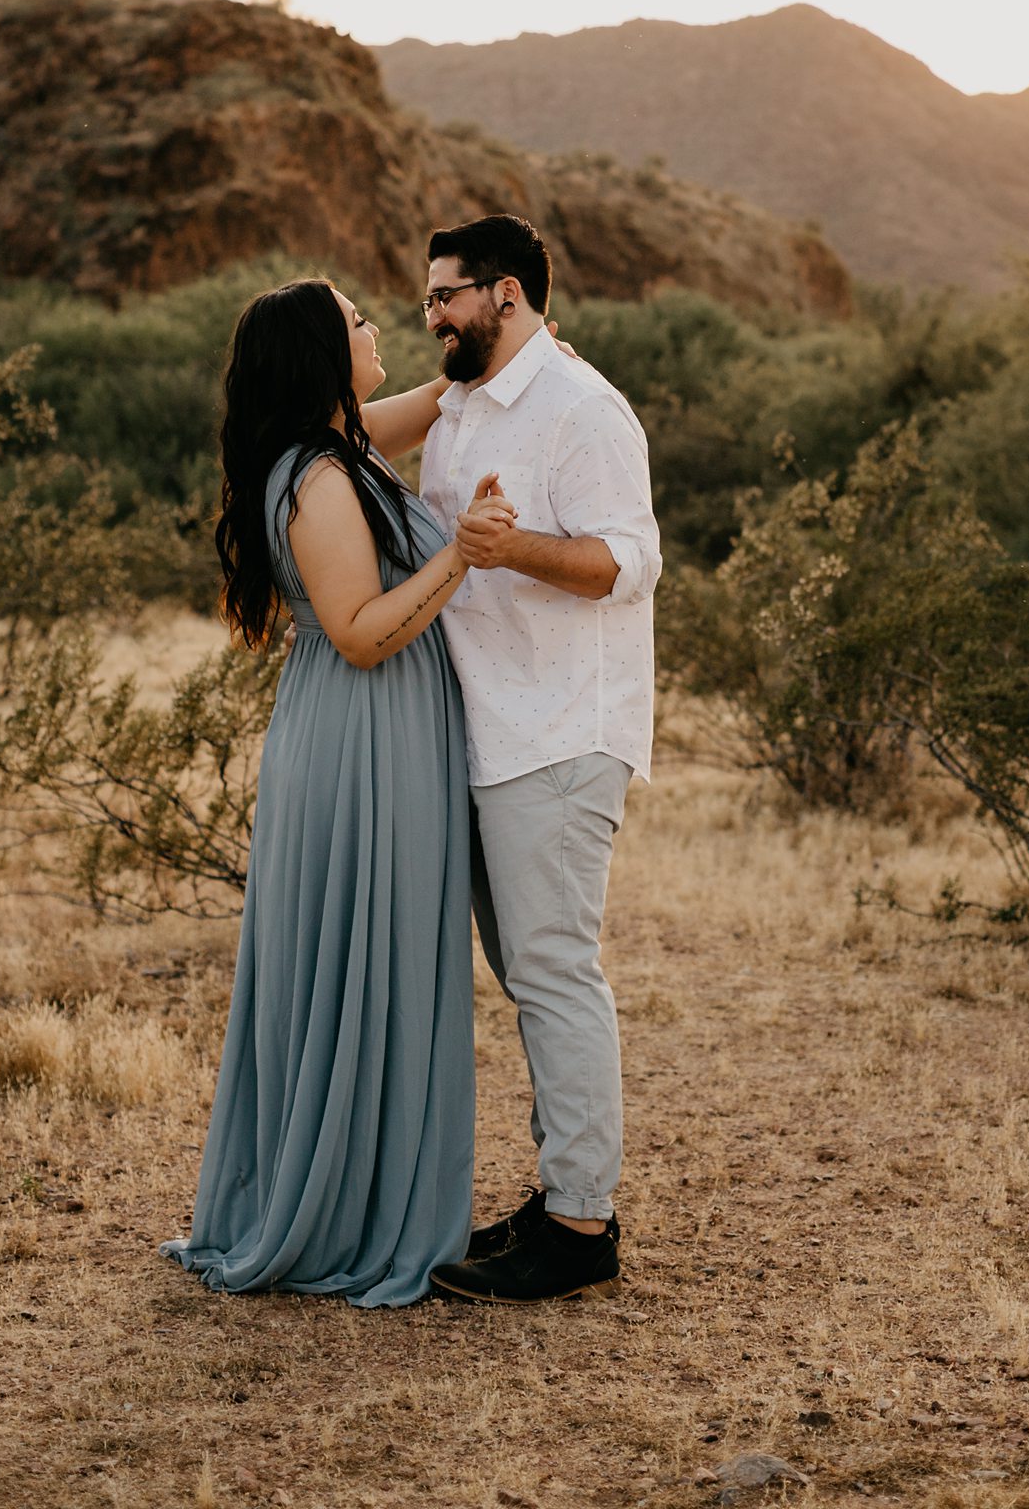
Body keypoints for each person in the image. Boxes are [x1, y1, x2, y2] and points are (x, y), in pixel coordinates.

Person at [158, 276, 507, 1308]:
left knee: (376, 960)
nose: (375, 327)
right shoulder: (314, 475)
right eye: (356, 320)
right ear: (322, 351)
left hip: (378, 733)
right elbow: (358, 634)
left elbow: (442, 398)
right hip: (361, 735)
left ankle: (357, 1192)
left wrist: (508, 340)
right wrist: (461, 555)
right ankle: (339, 1215)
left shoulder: (342, 445)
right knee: (367, 956)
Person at [416, 215, 662, 1305]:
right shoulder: (465, 404)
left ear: (504, 293)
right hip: (490, 729)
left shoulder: (580, 407)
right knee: (530, 980)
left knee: (556, 975)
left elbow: (625, 563)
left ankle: (579, 1225)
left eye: (444, 296)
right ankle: (559, 1192)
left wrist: (509, 549)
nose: (432, 315)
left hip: (561, 730)